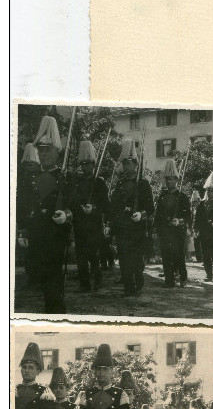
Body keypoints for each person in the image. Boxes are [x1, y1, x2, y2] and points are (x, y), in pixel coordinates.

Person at [21, 116, 73, 313]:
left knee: (53, 281)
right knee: (42, 280)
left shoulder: (65, 178)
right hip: (37, 237)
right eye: (40, 149)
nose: (43, 154)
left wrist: (65, 215)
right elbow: (26, 209)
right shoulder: (31, 179)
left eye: (47, 149)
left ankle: (57, 312)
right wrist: (24, 232)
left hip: (55, 237)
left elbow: (72, 208)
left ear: (57, 151)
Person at [109, 139, 154, 297]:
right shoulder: (119, 184)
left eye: (130, 163)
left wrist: (141, 214)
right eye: (124, 164)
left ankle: (139, 284)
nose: (127, 166)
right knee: (124, 260)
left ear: (136, 164)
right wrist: (111, 224)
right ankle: (128, 288)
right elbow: (113, 207)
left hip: (137, 229)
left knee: (136, 261)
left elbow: (150, 208)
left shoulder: (143, 184)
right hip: (122, 227)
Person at [70, 140, 109, 292]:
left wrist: (94, 208)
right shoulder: (76, 182)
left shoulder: (99, 183)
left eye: (88, 164)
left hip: (93, 224)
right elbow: (72, 202)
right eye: (83, 164)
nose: (86, 167)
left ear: (93, 165)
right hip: (79, 223)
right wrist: (79, 209)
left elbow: (105, 205)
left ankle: (97, 279)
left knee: (93, 255)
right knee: (80, 257)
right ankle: (84, 284)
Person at [154, 159, 191, 288]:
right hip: (165, 230)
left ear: (176, 180)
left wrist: (179, 220)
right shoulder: (162, 196)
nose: (169, 181)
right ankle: (169, 281)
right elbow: (157, 214)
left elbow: (188, 216)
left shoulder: (182, 197)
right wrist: (156, 229)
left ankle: (183, 278)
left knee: (178, 255)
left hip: (177, 231)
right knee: (166, 256)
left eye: (172, 179)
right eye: (167, 179)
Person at [16, 143, 41, 285]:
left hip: (39, 220)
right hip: (26, 220)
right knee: (28, 250)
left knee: (38, 249)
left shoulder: (41, 179)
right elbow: (19, 204)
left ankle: (38, 276)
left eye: (32, 164)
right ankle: (31, 276)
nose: (29, 167)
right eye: (26, 165)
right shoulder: (22, 183)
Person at [194, 171, 213, 282]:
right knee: (206, 255)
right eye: (208, 190)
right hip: (204, 232)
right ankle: (209, 275)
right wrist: (195, 229)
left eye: (212, 190)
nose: (209, 192)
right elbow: (197, 218)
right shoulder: (202, 204)